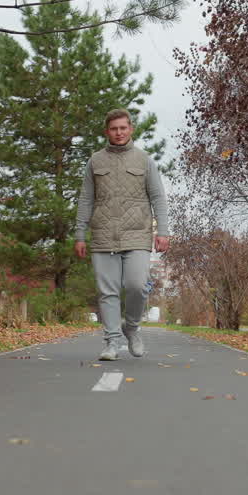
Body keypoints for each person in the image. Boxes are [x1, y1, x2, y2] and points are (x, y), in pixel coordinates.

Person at [74, 108, 170, 361]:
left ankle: (132, 328)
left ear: (131, 129)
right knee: (108, 291)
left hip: (137, 234)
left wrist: (163, 231)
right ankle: (111, 341)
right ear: (107, 131)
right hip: (103, 235)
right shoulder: (95, 161)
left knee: (137, 286)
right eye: (114, 128)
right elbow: (85, 199)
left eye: (123, 128)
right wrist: (80, 234)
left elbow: (158, 196)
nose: (119, 132)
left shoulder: (144, 160)